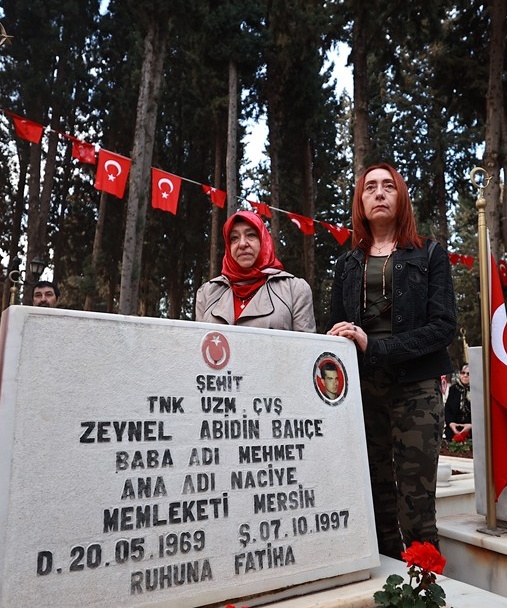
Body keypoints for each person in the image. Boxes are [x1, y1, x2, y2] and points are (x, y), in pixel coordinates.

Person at [327, 163, 457, 558]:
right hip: (364, 393)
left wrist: (377, 346)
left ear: (400, 197)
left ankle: (428, 598)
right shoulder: (347, 264)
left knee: (416, 504)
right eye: (370, 188)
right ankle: (391, 592)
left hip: (416, 390)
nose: (379, 193)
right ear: (361, 201)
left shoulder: (429, 253)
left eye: (388, 186)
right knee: (376, 497)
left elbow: (443, 327)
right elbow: (332, 325)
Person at [195, 210, 315, 332]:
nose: (242, 244)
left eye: (251, 235)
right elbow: (199, 344)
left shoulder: (294, 289)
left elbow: (304, 348)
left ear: (264, 241)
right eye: (234, 238)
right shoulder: (208, 292)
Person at [444, 366, 472, 440]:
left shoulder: (477, 391)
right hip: (454, 427)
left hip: (472, 428)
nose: (465, 375)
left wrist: (471, 425)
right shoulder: (453, 389)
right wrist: (451, 423)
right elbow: (448, 409)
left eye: (468, 374)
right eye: (463, 373)